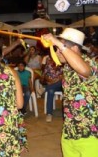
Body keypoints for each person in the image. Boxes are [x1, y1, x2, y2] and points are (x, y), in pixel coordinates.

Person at [42, 28, 98, 157]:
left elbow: (84, 71)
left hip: (89, 133)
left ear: (73, 49)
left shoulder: (89, 64)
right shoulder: (67, 67)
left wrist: (57, 42)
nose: (57, 52)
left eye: (59, 49)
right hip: (69, 131)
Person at [41, 55, 63, 122]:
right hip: (51, 84)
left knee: (52, 87)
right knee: (50, 91)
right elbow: (45, 75)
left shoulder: (63, 64)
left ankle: (44, 90)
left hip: (60, 85)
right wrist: (49, 80)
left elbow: (62, 77)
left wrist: (52, 82)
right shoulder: (49, 64)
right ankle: (49, 114)